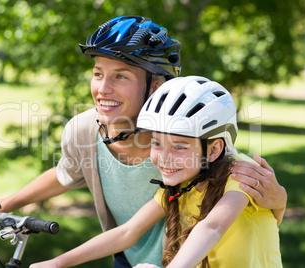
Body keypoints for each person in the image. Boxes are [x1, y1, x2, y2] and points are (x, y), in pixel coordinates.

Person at [0, 16, 286, 267]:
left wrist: (279, 198)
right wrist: (0, 206)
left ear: (156, 86)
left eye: (121, 76)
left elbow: (226, 207)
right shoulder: (86, 129)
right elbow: (67, 175)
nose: (103, 88)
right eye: (98, 73)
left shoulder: (195, 136)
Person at [29, 76, 282, 268]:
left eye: (180, 146)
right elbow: (127, 232)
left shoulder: (241, 174)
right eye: (156, 143)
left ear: (215, 149)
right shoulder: (182, 184)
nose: (164, 157)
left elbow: (212, 227)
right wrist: (57, 263)